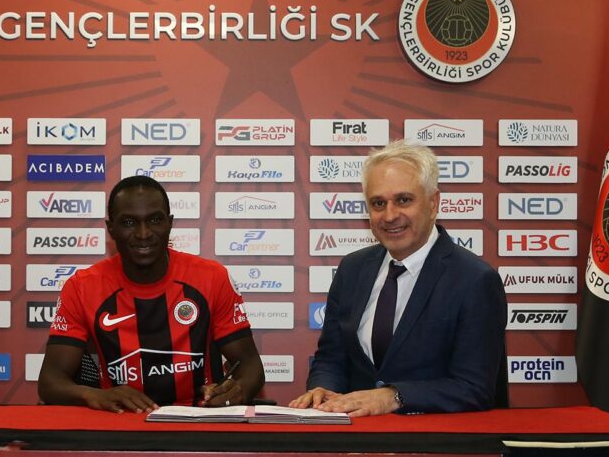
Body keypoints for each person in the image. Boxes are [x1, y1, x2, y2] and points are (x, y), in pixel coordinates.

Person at [290, 140, 507, 416]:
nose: (390, 215)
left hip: (436, 437)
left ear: (433, 203)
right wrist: (323, 388)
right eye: (378, 203)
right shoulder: (352, 269)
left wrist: (393, 396)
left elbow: (475, 388)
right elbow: (331, 358)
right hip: (356, 435)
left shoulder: (475, 280)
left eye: (403, 200)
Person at [38, 175, 265, 413]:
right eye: (129, 222)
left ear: (170, 223)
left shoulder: (212, 278)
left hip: (197, 419)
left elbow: (251, 368)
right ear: (111, 228)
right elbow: (50, 382)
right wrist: (96, 395)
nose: (143, 233)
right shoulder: (82, 287)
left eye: (155, 220)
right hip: (119, 421)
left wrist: (237, 391)